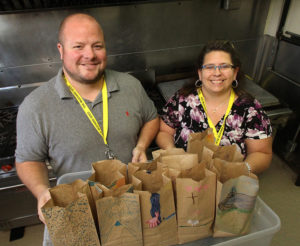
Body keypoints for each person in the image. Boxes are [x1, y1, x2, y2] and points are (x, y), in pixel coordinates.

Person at [15, 13, 159, 224]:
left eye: (97, 46)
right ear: (61, 50)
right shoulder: (35, 106)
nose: (90, 55)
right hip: (80, 211)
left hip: (135, 199)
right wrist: (41, 191)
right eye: (78, 46)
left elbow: (151, 118)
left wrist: (141, 145)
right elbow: (28, 159)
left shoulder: (130, 85)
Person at [156, 40, 272, 174]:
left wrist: (241, 169)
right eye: (209, 67)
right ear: (200, 73)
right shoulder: (182, 100)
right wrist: (172, 151)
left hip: (230, 183)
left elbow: (262, 153)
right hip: (185, 178)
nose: (217, 73)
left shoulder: (250, 109)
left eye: (224, 66)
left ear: (235, 72)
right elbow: (164, 132)